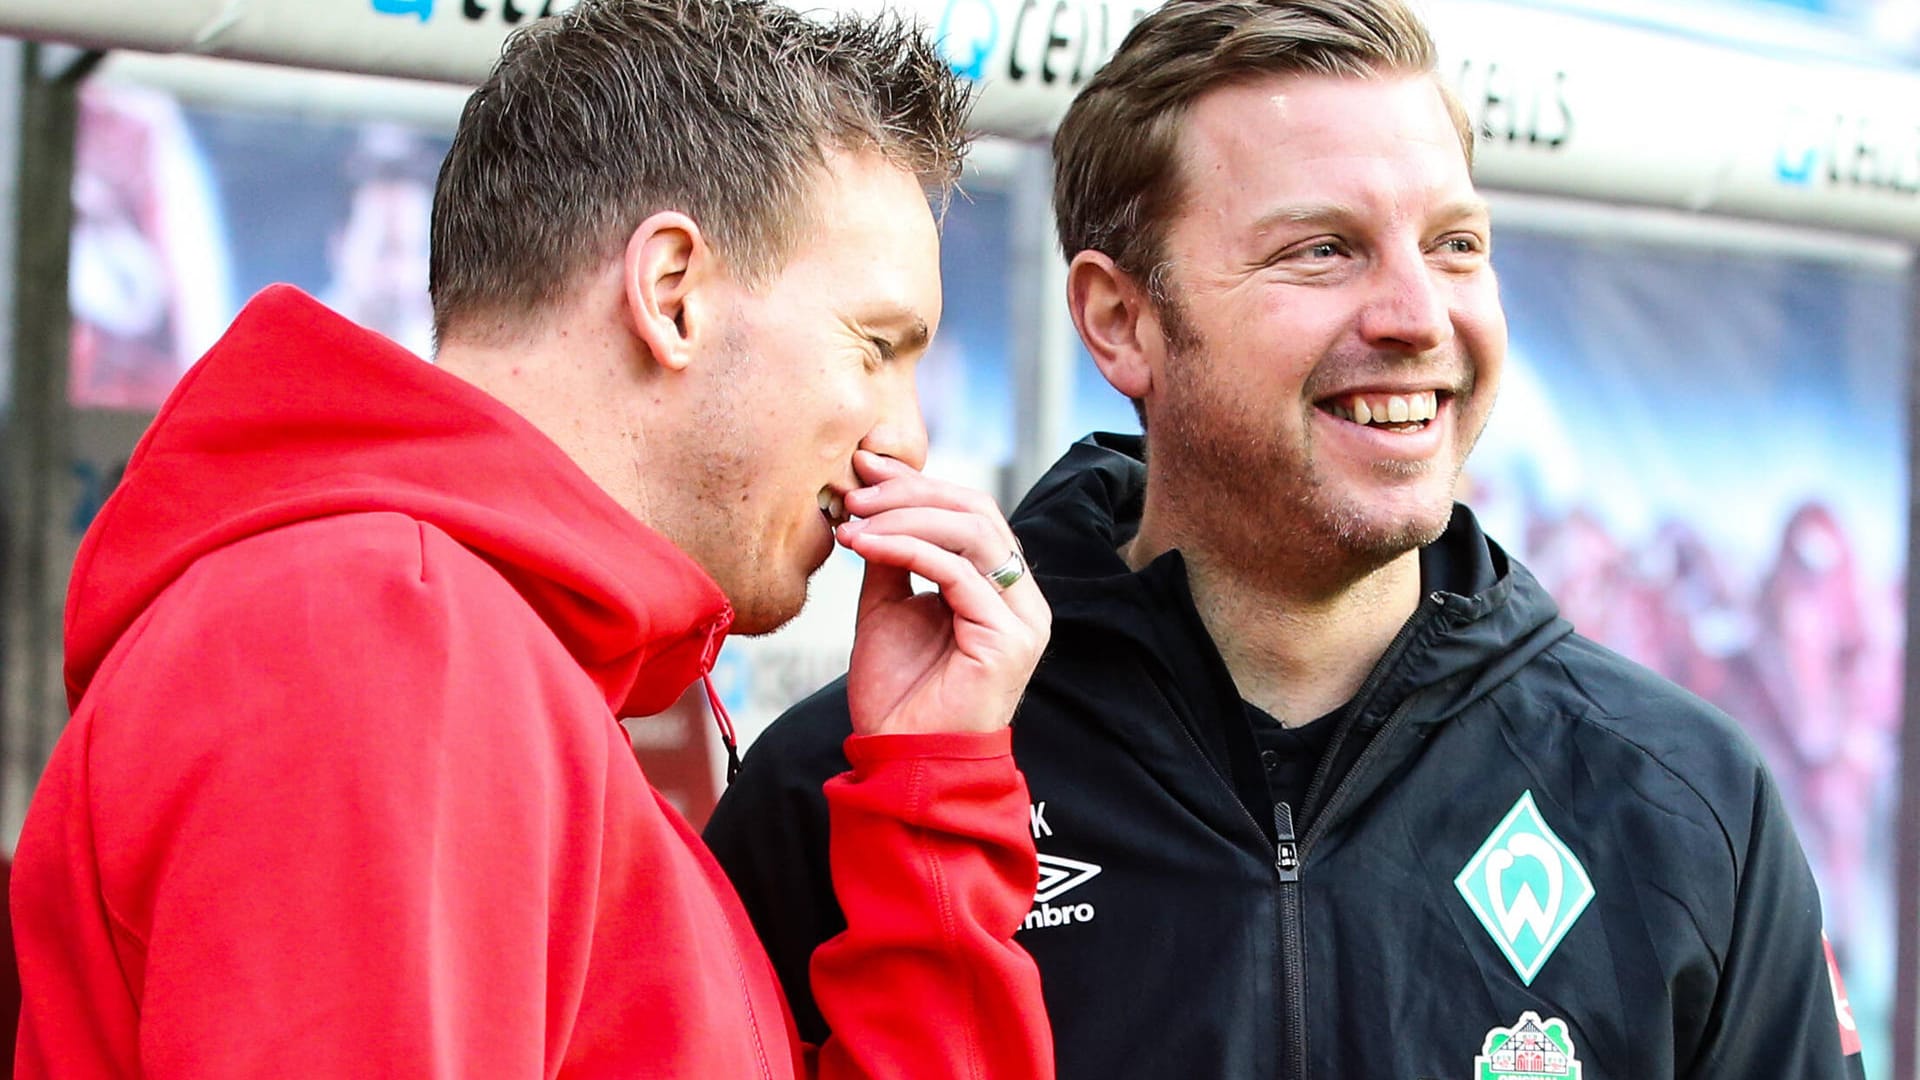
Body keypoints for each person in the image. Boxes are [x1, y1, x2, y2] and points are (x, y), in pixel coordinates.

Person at [703, 0, 1868, 1076]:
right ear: (1122, 322)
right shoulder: (861, 792)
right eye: (1323, 249)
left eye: (1456, 244)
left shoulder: (1684, 802)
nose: (1418, 315)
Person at [11, 0, 1055, 1075]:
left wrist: (932, 794)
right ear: (672, 295)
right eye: (876, 347)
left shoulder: (448, 636)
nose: (910, 440)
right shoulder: (384, 632)